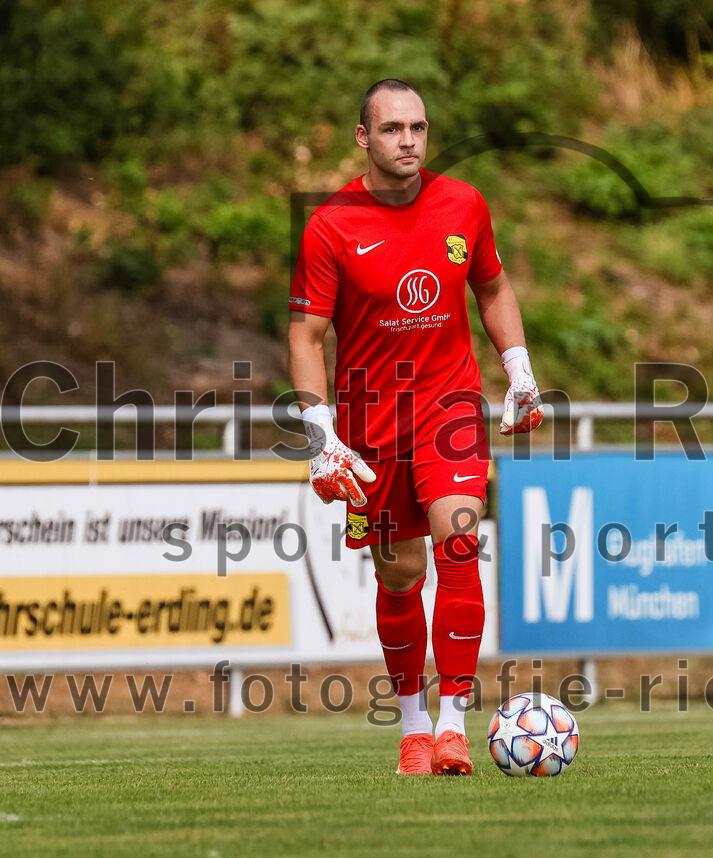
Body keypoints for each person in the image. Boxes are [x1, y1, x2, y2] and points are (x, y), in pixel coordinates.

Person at [287, 79, 543, 775]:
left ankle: (455, 726)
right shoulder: (331, 225)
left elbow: (492, 286)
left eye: (419, 127)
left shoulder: (464, 204)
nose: (408, 140)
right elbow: (307, 335)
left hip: (450, 405)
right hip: (371, 422)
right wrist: (320, 438)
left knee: (458, 539)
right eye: (393, 128)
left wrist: (518, 370)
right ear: (364, 138)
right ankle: (412, 727)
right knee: (400, 574)